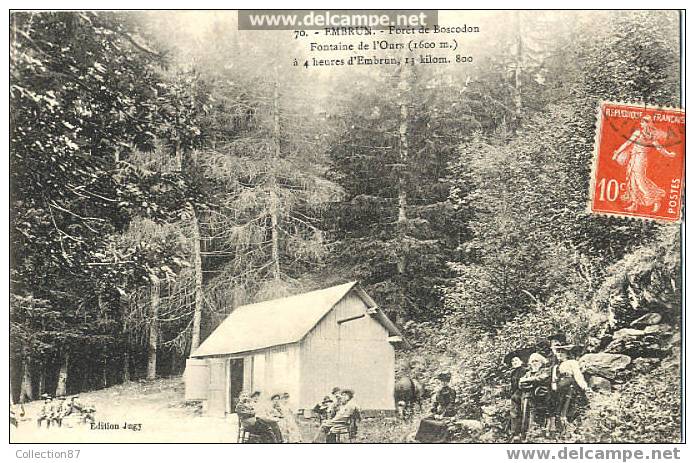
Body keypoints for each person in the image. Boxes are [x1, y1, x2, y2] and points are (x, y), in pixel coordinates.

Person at [612, 114, 677, 213]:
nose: (641, 124)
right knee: (631, 180)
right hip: (634, 158)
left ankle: (656, 201)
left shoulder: (649, 135)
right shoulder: (640, 133)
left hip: (640, 159)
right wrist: (617, 153)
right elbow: (627, 143)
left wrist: (669, 154)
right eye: (641, 122)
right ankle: (634, 204)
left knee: (640, 181)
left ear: (647, 124)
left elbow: (659, 148)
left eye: (643, 122)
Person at [550, 344, 589, 432]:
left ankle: (571, 427)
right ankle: (558, 429)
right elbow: (554, 379)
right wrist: (554, 386)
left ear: (567, 353)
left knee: (569, 406)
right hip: (559, 387)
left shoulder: (572, 362)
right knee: (557, 406)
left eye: (562, 352)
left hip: (569, 385)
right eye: (558, 352)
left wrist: (584, 386)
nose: (560, 354)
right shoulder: (556, 366)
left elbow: (578, 375)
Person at [414, 372, 457, 443]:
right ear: (440, 381)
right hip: (439, 412)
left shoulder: (452, 391)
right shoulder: (439, 391)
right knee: (424, 420)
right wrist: (434, 412)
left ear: (448, 381)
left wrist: (442, 415)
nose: (444, 383)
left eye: (446, 381)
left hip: (449, 412)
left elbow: (451, 404)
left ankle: (437, 440)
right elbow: (436, 403)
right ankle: (423, 439)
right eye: (442, 381)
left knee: (440, 424)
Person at [504, 349, 530, 440]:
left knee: (524, 413)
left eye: (516, 360)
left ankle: (524, 434)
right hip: (515, 395)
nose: (514, 362)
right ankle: (515, 433)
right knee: (514, 413)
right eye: (513, 361)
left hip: (523, 394)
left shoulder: (525, 370)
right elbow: (513, 385)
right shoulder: (513, 372)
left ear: (521, 361)